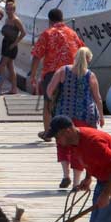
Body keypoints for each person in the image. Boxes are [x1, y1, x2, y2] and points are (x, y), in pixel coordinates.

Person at [46, 47, 104, 188]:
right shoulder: (90, 75)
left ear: (75, 57)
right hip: (85, 115)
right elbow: (98, 98)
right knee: (80, 147)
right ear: (88, 59)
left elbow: (49, 90)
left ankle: (66, 176)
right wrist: (101, 116)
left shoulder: (63, 71)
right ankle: (76, 183)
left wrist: (53, 101)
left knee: (62, 143)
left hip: (64, 113)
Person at [29, 8, 84, 141]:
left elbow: (37, 56)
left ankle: (48, 134)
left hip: (52, 73)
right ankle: (70, 133)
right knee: (68, 102)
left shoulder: (47, 34)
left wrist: (33, 75)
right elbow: (82, 50)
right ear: (62, 18)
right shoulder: (72, 33)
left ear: (50, 20)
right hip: (71, 72)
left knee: (48, 103)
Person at [0, 0, 26, 94]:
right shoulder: (6, 19)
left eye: (10, 9)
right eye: (7, 9)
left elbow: (23, 33)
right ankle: (14, 89)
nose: (8, 11)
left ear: (14, 10)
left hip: (11, 45)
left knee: (1, 65)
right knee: (10, 67)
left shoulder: (16, 20)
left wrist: (14, 44)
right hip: (5, 44)